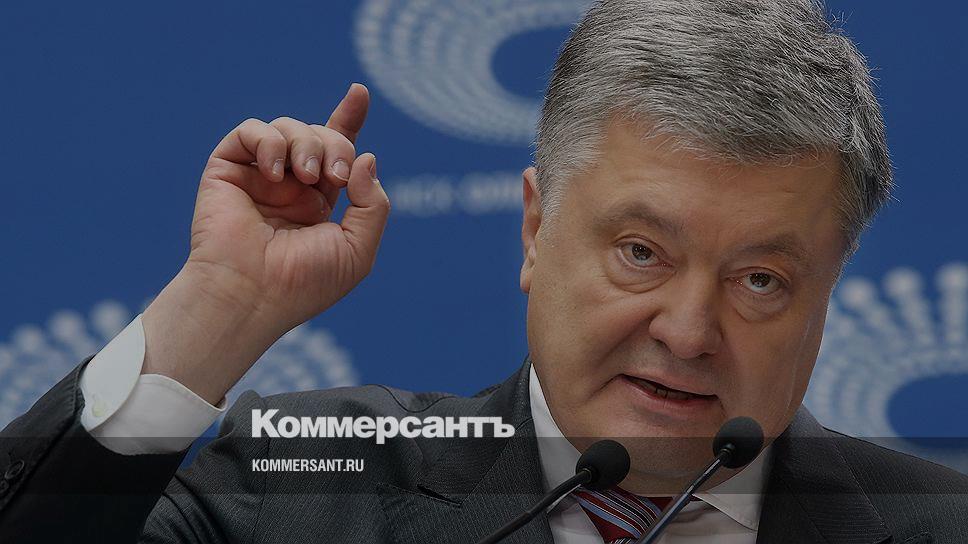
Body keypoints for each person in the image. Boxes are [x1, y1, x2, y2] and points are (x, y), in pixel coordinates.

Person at [2, 0, 967, 542]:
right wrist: (217, 310)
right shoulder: (312, 485)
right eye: (641, 253)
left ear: (828, 288)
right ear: (536, 229)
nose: (686, 330)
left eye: (760, 280)